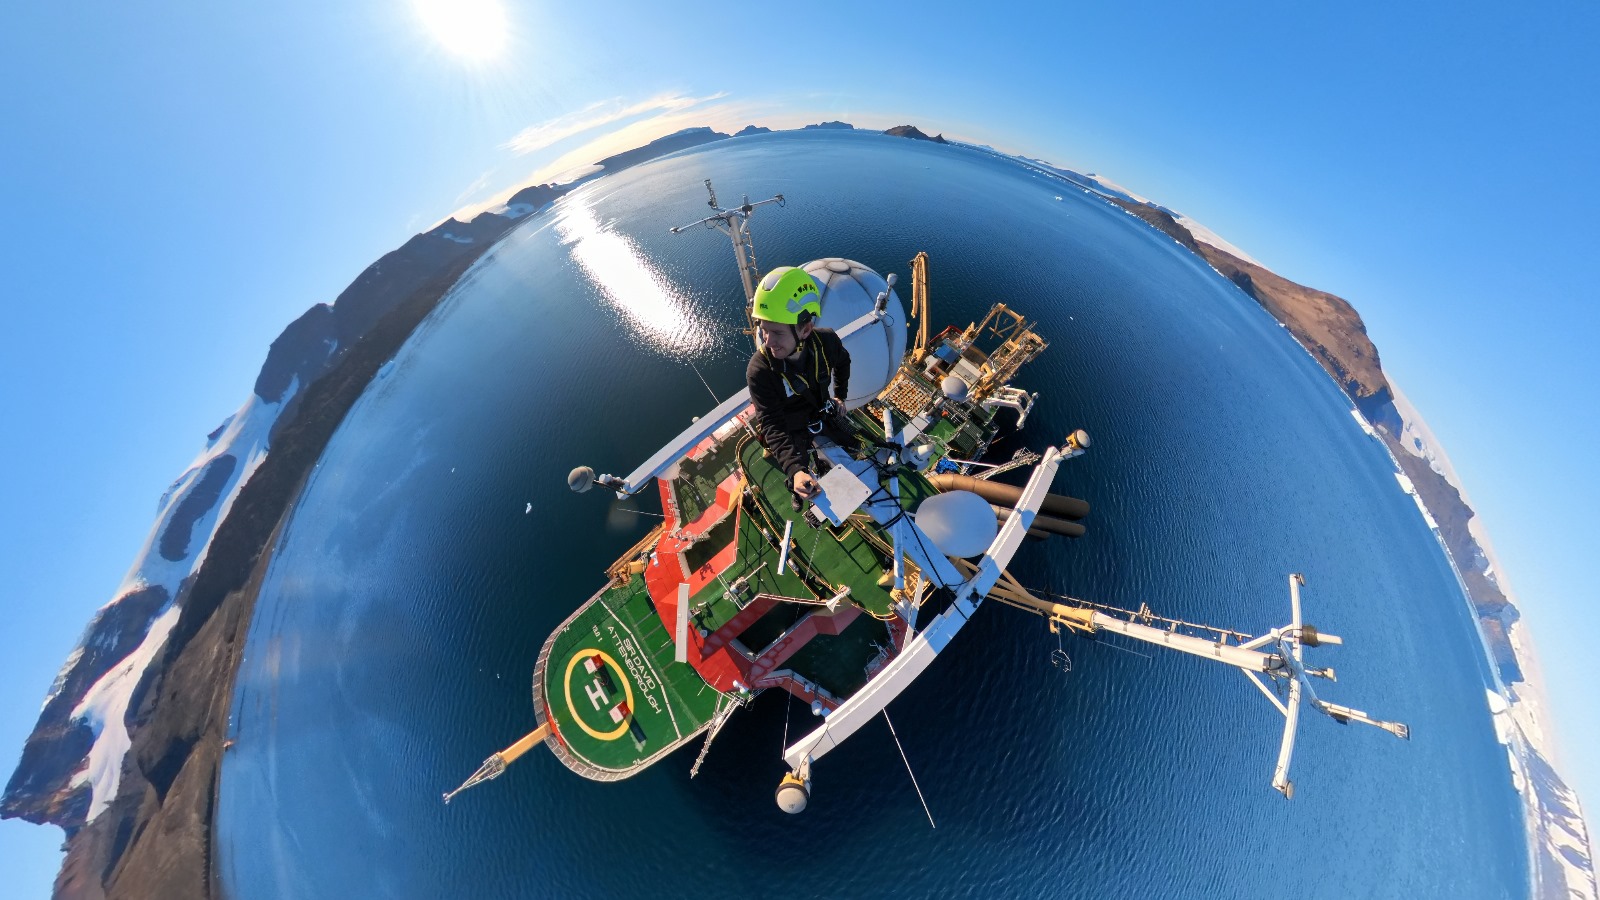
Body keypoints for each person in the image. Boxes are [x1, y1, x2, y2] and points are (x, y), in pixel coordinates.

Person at [745, 266, 858, 511]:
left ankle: (818, 468)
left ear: (805, 329)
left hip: (821, 412)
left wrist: (840, 395)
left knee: (853, 447)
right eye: (764, 329)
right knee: (798, 472)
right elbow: (772, 424)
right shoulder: (761, 370)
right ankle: (795, 489)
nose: (767, 341)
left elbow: (843, 362)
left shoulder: (826, 342)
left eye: (776, 332)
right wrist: (796, 470)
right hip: (790, 429)